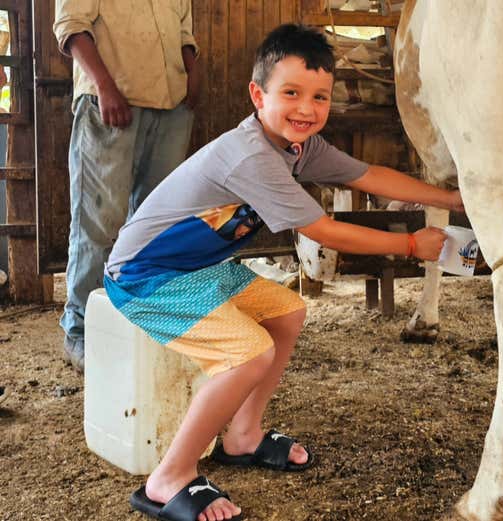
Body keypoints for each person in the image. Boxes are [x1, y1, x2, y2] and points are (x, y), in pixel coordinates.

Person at [103, 24, 463, 520]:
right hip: (144, 278)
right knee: (249, 353)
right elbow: (324, 230)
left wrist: (449, 199)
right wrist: (409, 245)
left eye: (319, 97)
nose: (306, 109)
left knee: (287, 312)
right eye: (291, 93)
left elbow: (368, 176)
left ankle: (243, 436)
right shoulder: (252, 155)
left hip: (197, 269)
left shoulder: (299, 147)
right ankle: (169, 477)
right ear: (258, 95)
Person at [53, 1, 200, 371]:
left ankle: (141, 321)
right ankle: (80, 330)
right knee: (99, 222)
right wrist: (104, 86)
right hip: (111, 102)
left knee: (157, 225)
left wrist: (193, 73)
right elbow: (71, 26)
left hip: (171, 106)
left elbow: (184, 32)